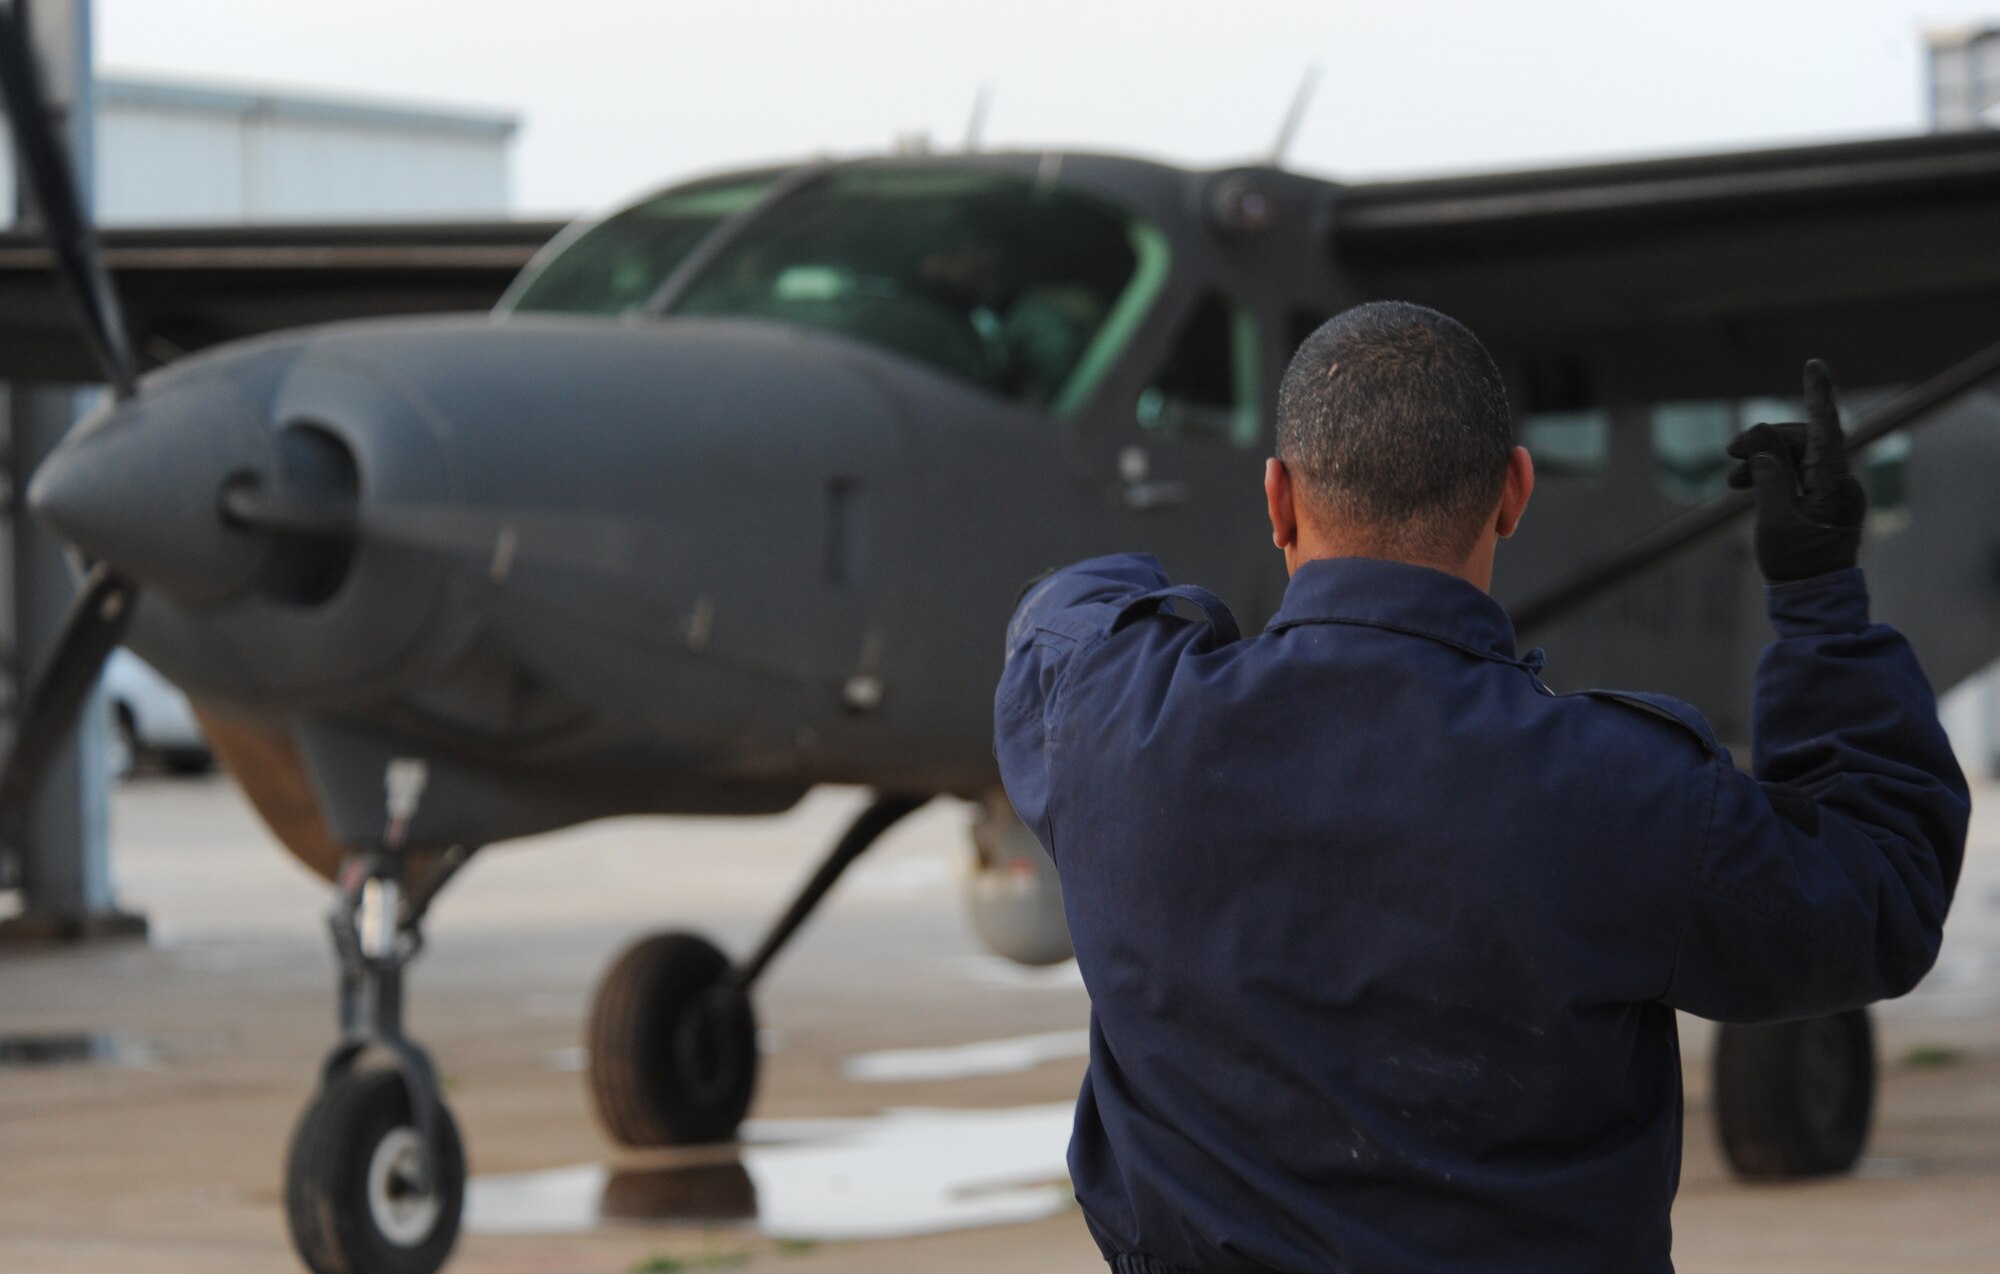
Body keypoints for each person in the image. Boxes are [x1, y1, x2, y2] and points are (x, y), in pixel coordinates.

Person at [992, 301, 1968, 1273]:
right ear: (1512, 491)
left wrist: (1206, 645)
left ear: (1278, 497)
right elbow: (1879, 893)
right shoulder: (1628, 790)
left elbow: (1064, 612)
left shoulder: (1114, 724)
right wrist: (1819, 607)